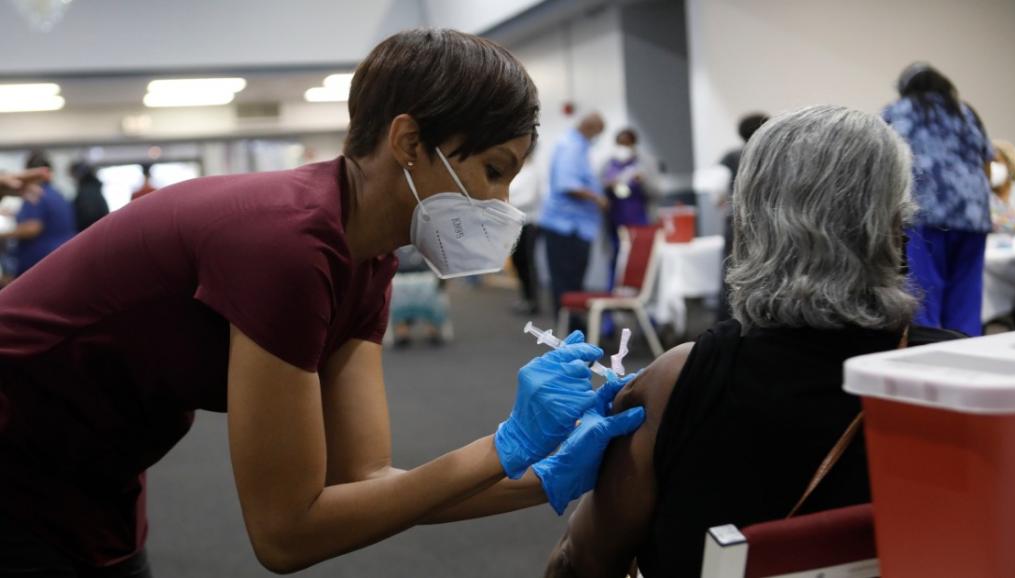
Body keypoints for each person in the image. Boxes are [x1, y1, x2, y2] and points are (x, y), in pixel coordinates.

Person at [0, 29, 643, 577]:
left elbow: (368, 483)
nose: (502, 205)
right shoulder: (287, 243)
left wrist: (544, 475)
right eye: (494, 171)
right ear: (409, 142)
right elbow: (286, 534)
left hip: (94, 470)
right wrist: (507, 443)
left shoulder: (367, 257)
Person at [542, 105, 959, 578]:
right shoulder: (959, 373)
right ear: (894, 227)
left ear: (750, 226)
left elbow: (582, 561)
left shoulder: (677, 381)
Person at [883, 63, 994, 337]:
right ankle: (967, 350)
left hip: (925, 212)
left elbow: (883, 162)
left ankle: (927, 351)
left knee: (924, 295)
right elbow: (987, 163)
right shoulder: (966, 114)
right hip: (973, 214)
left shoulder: (898, 112)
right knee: (967, 296)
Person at [539, 112, 607, 316]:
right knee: (567, 282)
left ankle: (571, 325)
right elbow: (568, 185)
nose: (597, 138)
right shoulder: (571, 147)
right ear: (590, 128)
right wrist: (598, 198)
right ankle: (569, 327)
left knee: (571, 281)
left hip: (573, 227)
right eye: (598, 133)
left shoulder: (577, 146)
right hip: (567, 227)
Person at [716, 113, 768, 324]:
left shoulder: (732, 156)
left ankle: (727, 320)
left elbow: (718, 195)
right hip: (765, 222)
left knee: (731, 270)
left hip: (737, 221)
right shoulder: (771, 154)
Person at [0, 151, 76, 276]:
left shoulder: (35, 194)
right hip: (63, 256)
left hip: (40, 261)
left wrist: (3, 235)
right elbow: (48, 219)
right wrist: (13, 214)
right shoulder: (57, 194)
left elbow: (32, 228)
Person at [600, 128, 651, 286]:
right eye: (620, 143)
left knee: (639, 258)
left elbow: (656, 190)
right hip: (616, 221)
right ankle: (613, 294)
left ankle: (639, 292)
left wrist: (644, 182)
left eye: (627, 143)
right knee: (616, 258)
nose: (623, 147)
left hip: (638, 219)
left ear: (634, 145)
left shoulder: (644, 164)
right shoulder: (608, 165)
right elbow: (599, 188)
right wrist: (607, 185)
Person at [509, 146, 542, 314]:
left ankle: (532, 300)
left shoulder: (533, 173)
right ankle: (525, 297)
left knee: (528, 263)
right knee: (518, 262)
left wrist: (506, 201)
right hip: (515, 224)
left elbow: (528, 198)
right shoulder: (517, 173)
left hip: (528, 224)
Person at [70, 161, 110, 232]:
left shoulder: (86, 193)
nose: (72, 179)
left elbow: (89, 219)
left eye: (72, 175)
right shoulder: (93, 189)